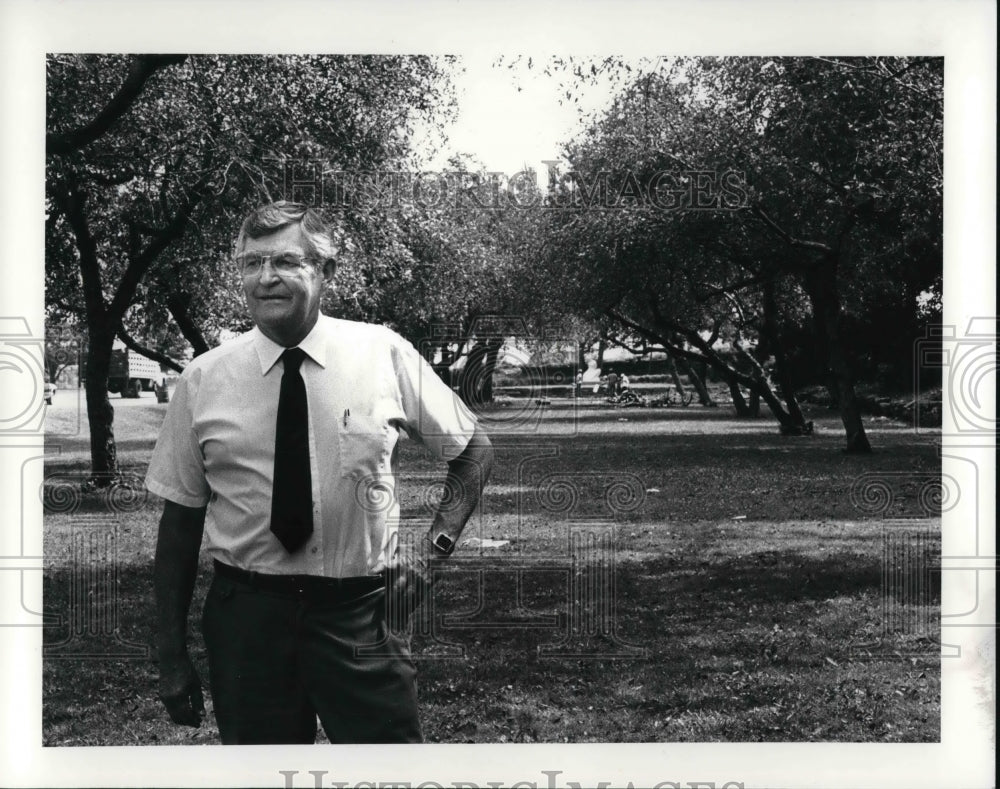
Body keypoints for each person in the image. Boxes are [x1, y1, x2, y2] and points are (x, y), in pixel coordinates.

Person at [146, 201, 494, 744]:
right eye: (251, 263)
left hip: (360, 614)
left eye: (286, 262)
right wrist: (170, 656)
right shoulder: (203, 379)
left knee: (389, 774)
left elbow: (473, 450)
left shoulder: (383, 354)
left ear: (326, 271)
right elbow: (180, 522)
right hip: (248, 620)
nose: (266, 279)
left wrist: (432, 553)